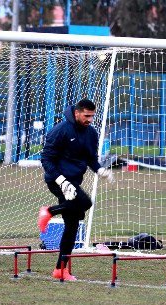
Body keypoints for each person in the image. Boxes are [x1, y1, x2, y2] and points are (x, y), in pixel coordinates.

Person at [37, 99, 114, 281]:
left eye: (92, 116)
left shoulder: (91, 134)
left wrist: (100, 169)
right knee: (85, 202)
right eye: (87, 116)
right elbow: (46, 160)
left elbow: (91, 159)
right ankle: (48, 211)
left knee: (72, 225)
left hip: (74, 182)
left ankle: (60, 270)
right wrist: (62, 181)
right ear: (77, 113)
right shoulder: (61, 130)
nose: (90, 119)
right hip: (57, 180)